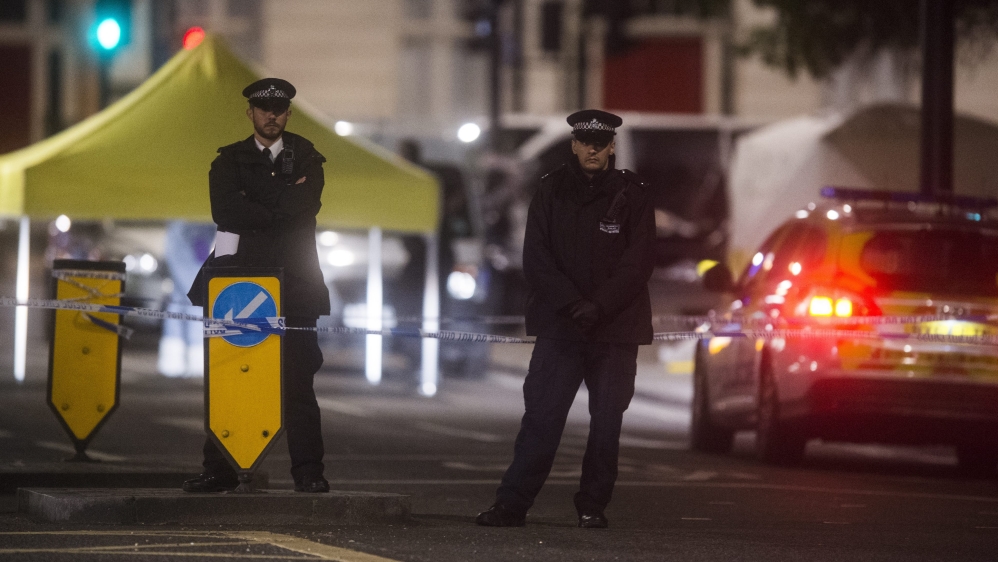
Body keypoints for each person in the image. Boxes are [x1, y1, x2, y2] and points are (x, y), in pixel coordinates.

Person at [476, 109, 655, 528]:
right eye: (585, 142)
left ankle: (592, 506)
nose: (593, 150)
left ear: (611, 146)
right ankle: (512, 505)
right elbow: (536, 258)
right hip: (561, 326)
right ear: (574, 145)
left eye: (601, 143)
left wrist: (598, 306)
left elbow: (639, 260)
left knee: (606, 426)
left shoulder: (634, 193)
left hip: (614, 330)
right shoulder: (550, 190)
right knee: (541, 419)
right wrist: (575, 304)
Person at [182, 78, 331, 494]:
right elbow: (224, 211)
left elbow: (303, 207)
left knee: (299, 383)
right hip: (239, 285)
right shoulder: (229, 160)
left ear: (288, 113)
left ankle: (308, 473)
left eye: (280, 109)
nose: (272, 116)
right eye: (264, 109)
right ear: (250, 112)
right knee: (229, 376)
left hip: (295, 288)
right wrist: (281, 200)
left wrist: (256, 202)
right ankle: (220, 469)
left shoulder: (307, 157)